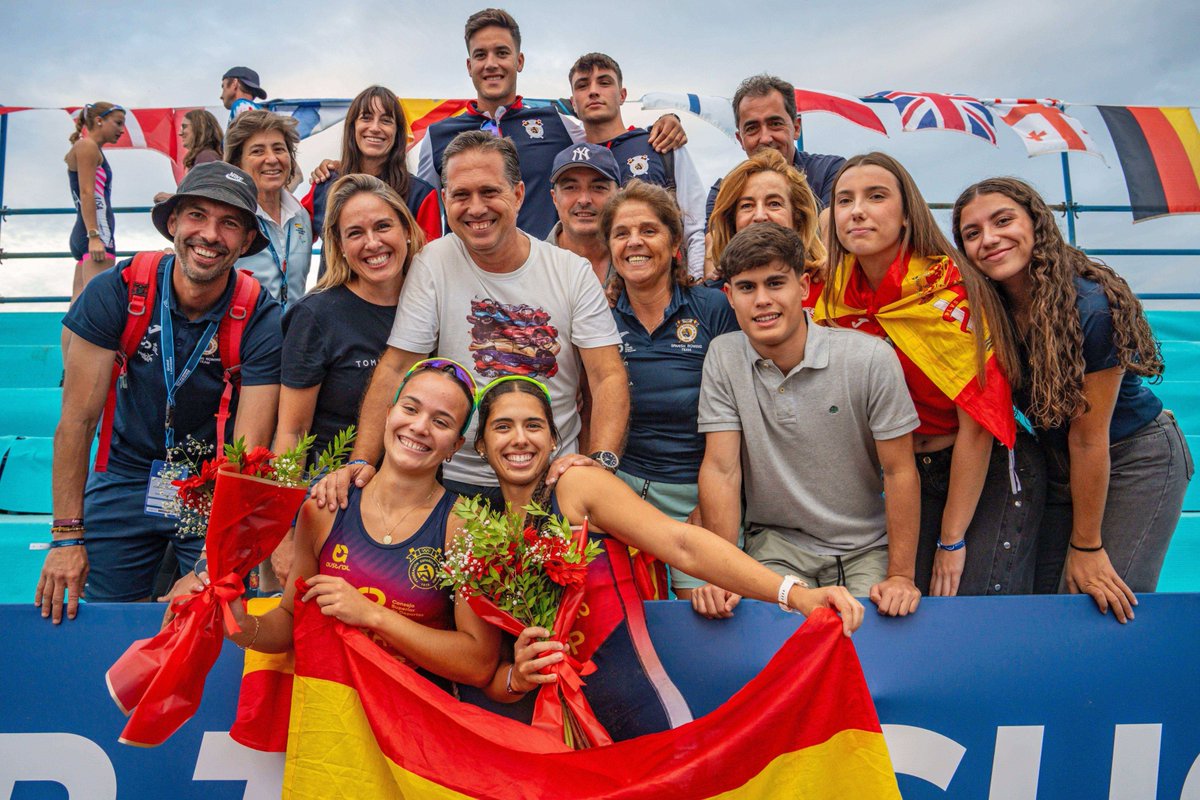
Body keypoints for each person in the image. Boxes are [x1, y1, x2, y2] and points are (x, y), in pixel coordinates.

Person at [471, 377, 864, 740]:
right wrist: (517, 678)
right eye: (503, 427)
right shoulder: (484, 534)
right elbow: (491, 672)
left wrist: (795, 594)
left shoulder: (577, 486)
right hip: (551, 733)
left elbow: (682, 544)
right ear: (481, 445)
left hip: (637, 716)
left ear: (555, 439)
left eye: (534, 426)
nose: (520, 439)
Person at [313, 130, 628, 509]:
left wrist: (600, 462)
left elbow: (607, 376)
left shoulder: (571, 272)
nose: (476, 208)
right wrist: (362, 460)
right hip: (455, 481)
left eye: (489, 192)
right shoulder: (433, 262)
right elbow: (397, 367)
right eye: (461, 195)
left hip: (550, 479)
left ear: (518, 194)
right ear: (445, 200)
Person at [36, 162, 282, 623]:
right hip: (125, 473)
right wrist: (66, 537)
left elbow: (248, 453)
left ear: (247, 240)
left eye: (229, 223)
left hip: (211, 485)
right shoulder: (117, 292)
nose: (210, 235)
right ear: (173, 223)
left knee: (216, 615)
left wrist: (211, 565)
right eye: (197, 216)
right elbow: (77, 422)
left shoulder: (260, 317)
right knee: (102, 621)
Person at [954, 177, 1191, 622]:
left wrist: (1088, 545)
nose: (989, 239)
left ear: (1036, 223)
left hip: (1131, 458)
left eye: (1003, 221)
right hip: (1063, 462)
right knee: (1046, 604)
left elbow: (1088, 439)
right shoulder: (988, 310)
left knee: (1095, 604)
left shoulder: (1093, 308)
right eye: (972, 233)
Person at [814, 153, 1044, 598]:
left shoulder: (950, 288)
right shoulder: (829, 296)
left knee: (971, 606)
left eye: (875, 197)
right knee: (903, 606)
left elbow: (978, 426)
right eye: (844, 200)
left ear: (906, 215)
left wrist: (951, 540)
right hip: (902, 476)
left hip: (982, 468)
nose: (857, 210)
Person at [226, 361, 499, 690]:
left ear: (455, 445)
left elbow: (479, 663)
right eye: (410, 408)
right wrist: (242, 625)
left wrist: (372, 614)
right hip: (330, 713)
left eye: (441, 422)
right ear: (388, 414)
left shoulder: (465, 527)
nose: (419, 426)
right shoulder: (326, 509)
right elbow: (290, 621)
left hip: (410, 715)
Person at [695, 222, 923, 617]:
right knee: (772, 639)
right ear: (729, 296)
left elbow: (899, 470)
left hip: (865, 547)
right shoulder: (723, 356)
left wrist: (901, 575)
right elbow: (721, 469)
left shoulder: (869, 358)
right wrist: (723, 571)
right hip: (777, 546)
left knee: (866, 637)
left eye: (775, 283)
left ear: (802, 287)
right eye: (747, 287)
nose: (762, 300)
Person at [414, 8, 686, 239]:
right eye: (481, 55)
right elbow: (423, 216)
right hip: (466, 278)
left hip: (544, 274)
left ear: (519, 61)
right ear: (469, 65)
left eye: (502, 53)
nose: (491, 64)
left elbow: (609, 142)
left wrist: (664, 125)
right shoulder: (437, 136)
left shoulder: (557, 124)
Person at [599, 181, 739, 597]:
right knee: (624, 615)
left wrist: (713, 504)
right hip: (622, 496)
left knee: (705, 611)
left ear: (675, 241)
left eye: (648, 230)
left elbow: (744, 413)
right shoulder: (599, 317)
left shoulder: (713, 308)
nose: (634, 242)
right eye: (621, 233)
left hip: (696, 497)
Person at [277, 174, 426, 461]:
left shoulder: (431, 303)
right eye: (355, 233)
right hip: (331, 481)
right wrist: (286, 488)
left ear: (407, 230)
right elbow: (292, 432)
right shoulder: (315, 315)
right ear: (340, 245)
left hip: (420, 481)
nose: (373, 243)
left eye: (383, 226)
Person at [567, 52, 707, 279]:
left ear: (622, 95)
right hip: (592, 287)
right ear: (573, 102)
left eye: (604, 82)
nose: (593, 91)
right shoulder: (570, 156)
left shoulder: (661, 143)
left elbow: (696, 223)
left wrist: (697, 281)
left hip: (664, 285)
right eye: (582, 85)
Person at [302, 85, 443, 277]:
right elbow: (289, 235)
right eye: (366, 118)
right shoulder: (324, 185)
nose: (375, 128)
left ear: (398, 132)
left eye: (386, 120)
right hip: (332, 295)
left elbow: (429, 269)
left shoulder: (421, 195)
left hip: (400, 297)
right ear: (352, 126)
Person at [706, 74, 845, 223]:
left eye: (775, 124)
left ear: (796, 128)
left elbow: (830, 232)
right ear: (740, 140)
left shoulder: (830, 172)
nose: (765, 138)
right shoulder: (723, 194)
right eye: (752, 128)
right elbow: (715, 237)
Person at [224, 110, 313, 309]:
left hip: (293, 327)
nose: (272, 159)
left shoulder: (301, 216)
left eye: (279, 149)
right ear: (237, 163)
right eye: (258, 151)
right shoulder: (226, 219)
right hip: (242, 328)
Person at [705, 148, 825, 288]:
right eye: (747, 205)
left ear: (797, 217)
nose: (760, 216)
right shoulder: (712, 298)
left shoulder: (831, 288)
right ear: (732, 221)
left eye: (774, 204)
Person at [65, 102, 126, 314]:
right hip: (96, 232)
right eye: (118, 123)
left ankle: (68, 342)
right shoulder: (87, 146)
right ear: (99, 120)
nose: (122, 130)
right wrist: (94, 235)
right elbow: (86, 192)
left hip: (87, 231)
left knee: (78, 306)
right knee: (96, 306)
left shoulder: (88, 147)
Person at [546, 142, 619, 285]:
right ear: (554, 198)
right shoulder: (532, 266)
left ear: (619, 196)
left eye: (598, 187)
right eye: (571, 187)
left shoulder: (638, 259)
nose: (584, 200)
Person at [153, 109, 225, 205]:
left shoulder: (206, 157)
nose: (180, 133)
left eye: (184, 127)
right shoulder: (207, 156)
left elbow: (208, 196)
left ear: (199, 128)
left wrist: (173, 199)